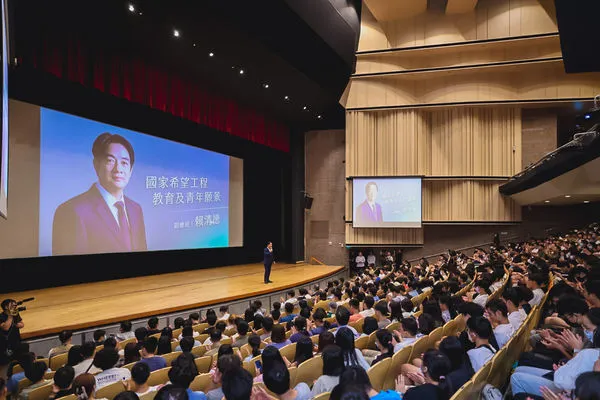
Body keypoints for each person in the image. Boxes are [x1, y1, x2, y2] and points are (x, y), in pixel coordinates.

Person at [52, 133, 147, 255]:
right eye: (110, 161)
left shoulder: (136, 209)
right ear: (96, 165)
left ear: (131, 170)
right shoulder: (72, 210)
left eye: (124, 163)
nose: (118, 169)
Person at [0, 299, 24, 380]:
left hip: (16, 341)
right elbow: (5, 327)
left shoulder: (15, 314)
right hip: (5, 344)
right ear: (6, 307)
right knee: (5, 364)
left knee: (17, 361)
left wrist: (16, 324)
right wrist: (10, 316)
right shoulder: (1, 316)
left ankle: (16, 377)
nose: (14, 306)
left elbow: (21, 324)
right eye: (12, 305)